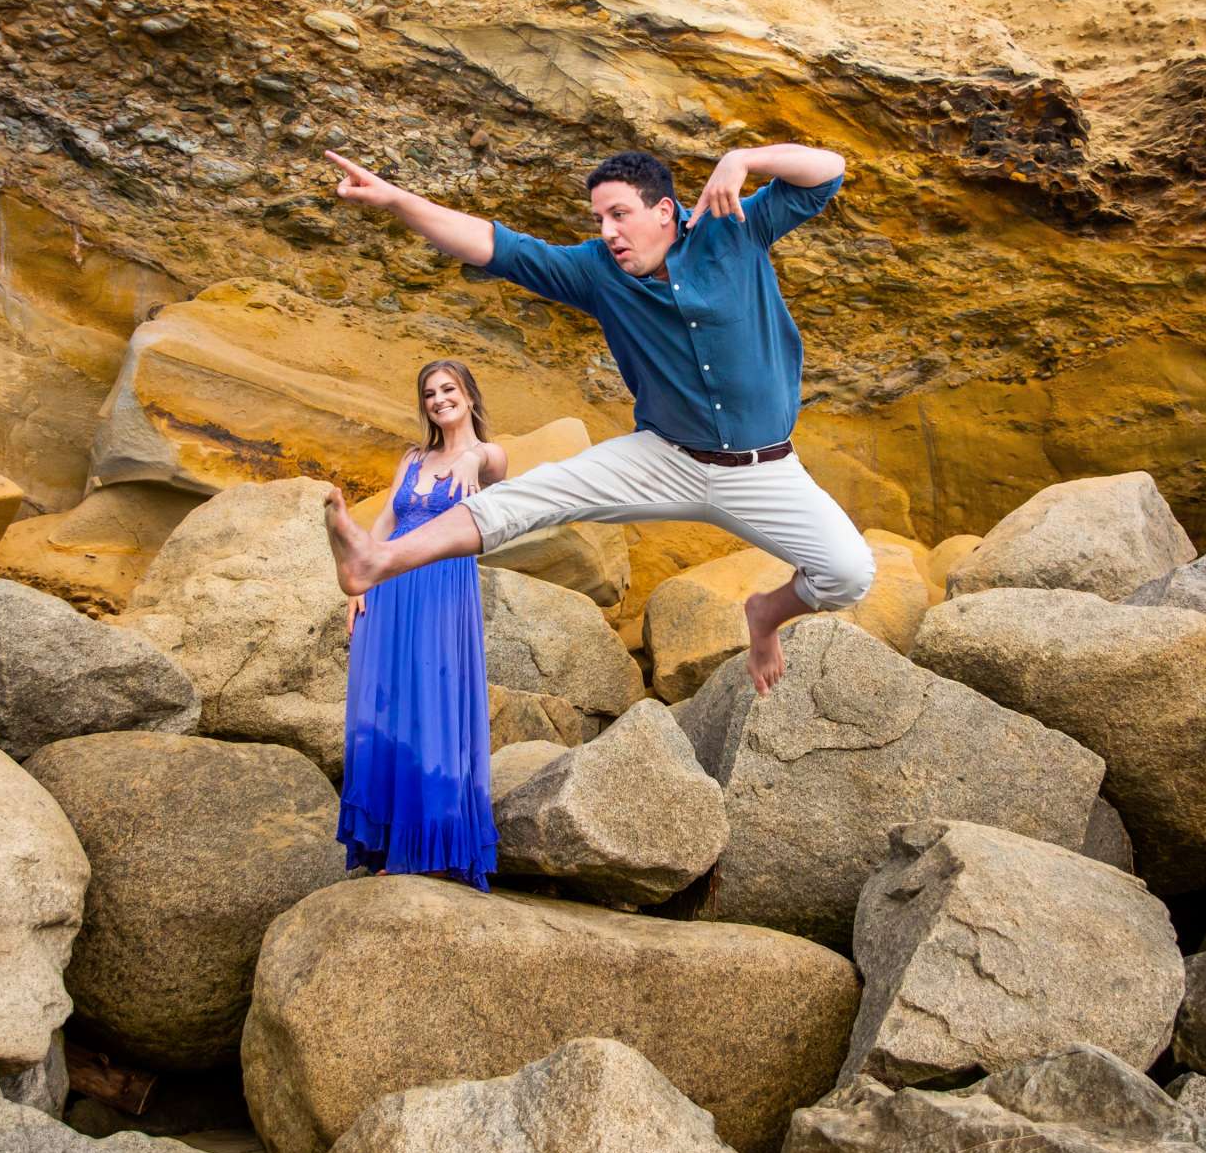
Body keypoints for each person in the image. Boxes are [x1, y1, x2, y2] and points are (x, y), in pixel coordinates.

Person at [321, 141, 874, 695]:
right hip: (664, 457)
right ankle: (378, 560)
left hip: (764, 468)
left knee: (849, 574)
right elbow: (494, 246)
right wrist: (395, 200)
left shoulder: (733, 228)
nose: (608, 231)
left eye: (619, 215)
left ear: (664, 211)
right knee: (532, 496)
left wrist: (744, 158)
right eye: (599, 219)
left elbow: (830, 171)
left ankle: (765, 615)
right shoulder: (596, 271)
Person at [336, 358, 507, 888]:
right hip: (393, 592)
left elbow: (492, 463)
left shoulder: (489, 455)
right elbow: (385, 523)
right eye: (430, 393)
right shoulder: (413, 457)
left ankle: (432, 846)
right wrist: (360, 583)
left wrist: (471, 457)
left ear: (470, 396)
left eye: (449, 389)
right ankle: (392, 842)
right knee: (390, 707)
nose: (439, 399)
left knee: (435, 707)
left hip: (443, 593)